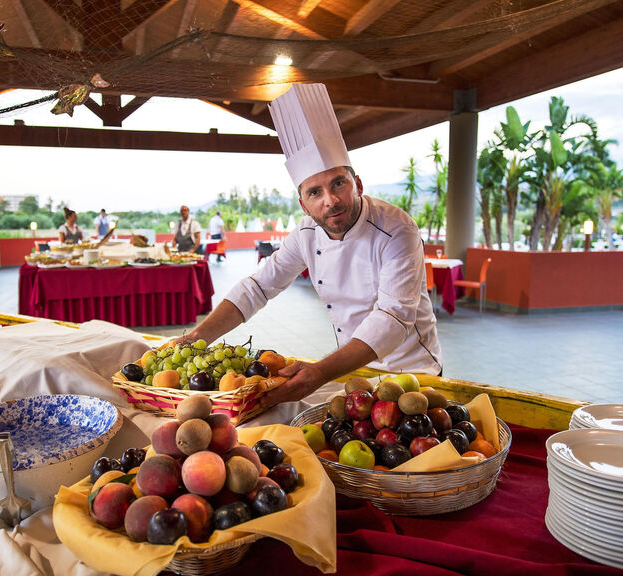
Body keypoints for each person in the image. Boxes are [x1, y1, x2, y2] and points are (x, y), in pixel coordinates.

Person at [176, 83, 441, 407]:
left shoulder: (396, 230)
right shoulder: (306, 233)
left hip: (411, 373)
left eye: (338, 183)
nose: (330, 200)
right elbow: (258, 286)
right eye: (315, 192)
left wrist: (319, 372)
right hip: (350, 372)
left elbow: (393, 318)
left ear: (357, 184)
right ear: (303, 204)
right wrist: (195, 339)